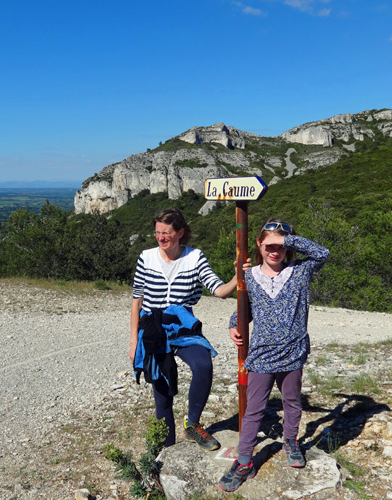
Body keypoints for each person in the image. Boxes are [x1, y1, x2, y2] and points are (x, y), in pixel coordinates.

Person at [218, 218, 329, 492]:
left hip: (293, 352)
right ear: (259, 244)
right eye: (269, 245)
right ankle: (244, 461)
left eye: (280, 246)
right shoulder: (249, 276)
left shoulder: (301, 271)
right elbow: (245, 308)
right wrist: (234, 325)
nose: (275, 251)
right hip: (261, 354)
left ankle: (291, 442)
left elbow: (323, 253)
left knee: (292, 401)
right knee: (254, 409)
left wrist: (287, 239)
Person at [130, 208, 239, 450]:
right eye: (157, 232)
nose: (161, 238)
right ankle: (166, 451)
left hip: (182, 323)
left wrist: (237, 276)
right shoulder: (146, 257)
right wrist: (133, 342)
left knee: (203, 364)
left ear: (180, 232)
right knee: (163, 393)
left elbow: (219, 290)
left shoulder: (194, 257)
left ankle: (193, 425)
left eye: (166, 233)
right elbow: (136, 301)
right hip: (152, 327)